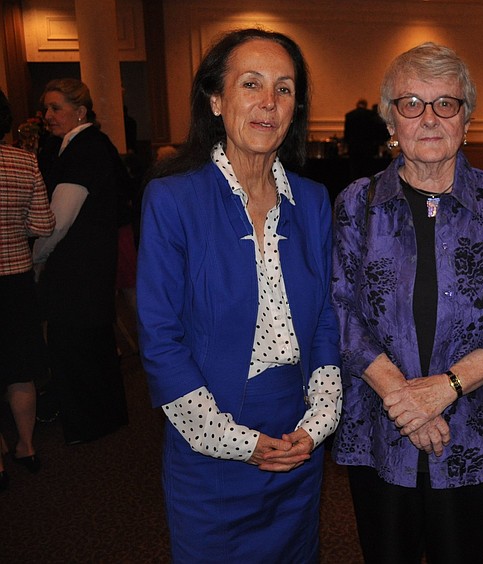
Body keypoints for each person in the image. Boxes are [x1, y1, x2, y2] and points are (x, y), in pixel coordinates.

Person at [136, 28, 341, 563]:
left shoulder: (315, 203)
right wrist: (234, 441)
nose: (268, 103)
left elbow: (324, 320)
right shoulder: (171, 198)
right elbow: (159, 338)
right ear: (216, 99)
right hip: (209, 438)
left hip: (297, 435)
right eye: (250, 84)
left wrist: (317, 422)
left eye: (285, 89)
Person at [332, 42, 483, 563]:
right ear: (390, 121)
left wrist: (444, 389)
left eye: (445, 103)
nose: (429, 119)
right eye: (411, 104)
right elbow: (340, 310)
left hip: (470, 430)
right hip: (382, 427)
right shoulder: (356, 203)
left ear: (466, 119)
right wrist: (408, 401)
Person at [32, 78, 129, 445]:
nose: (48, 116)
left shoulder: (83, 149)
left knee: (75, 347)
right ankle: (102, 419)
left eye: (56, 108)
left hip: (78, 270)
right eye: (46, 109)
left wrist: (35, 255)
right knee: (93, 345)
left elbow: (58, 220)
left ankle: (89, 424)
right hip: (89, 266)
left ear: (80, 112)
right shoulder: (84, 145)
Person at [0, 88, 55, 490]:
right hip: (16, 281)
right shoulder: (24, 162)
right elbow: (43, 225)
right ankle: (26, 445)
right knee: (20, 370)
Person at [343, 98, 389, 180]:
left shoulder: (349, 115)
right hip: (368, 148)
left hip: (354, 149)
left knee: (354, 173)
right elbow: (377, 131)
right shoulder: (370, 115)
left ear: (357, 105)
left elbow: (347, 134)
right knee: (367, 172)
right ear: (366, 105)